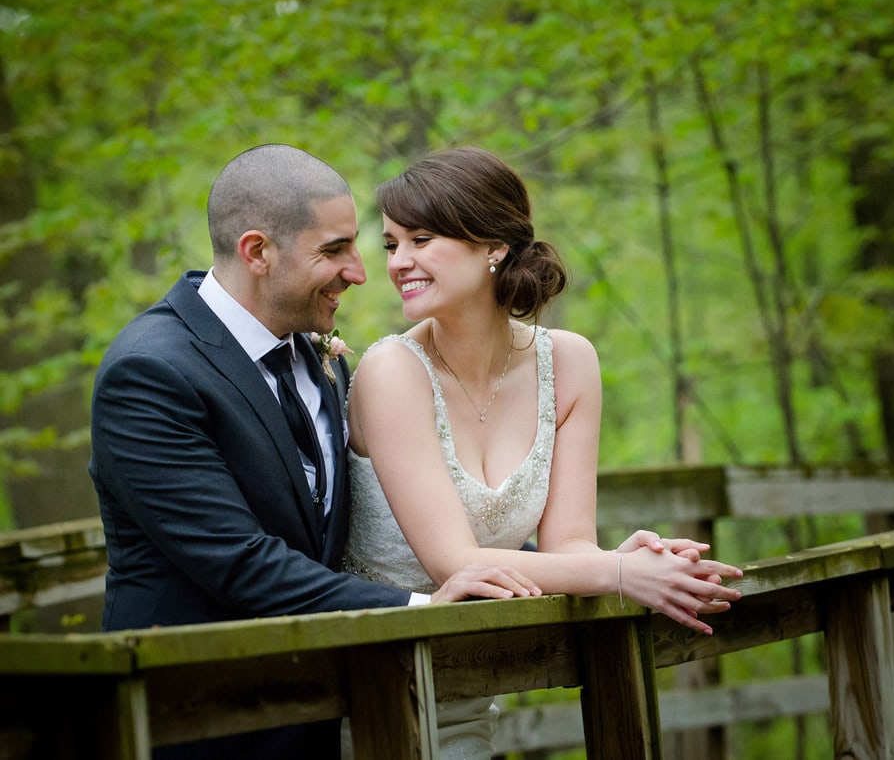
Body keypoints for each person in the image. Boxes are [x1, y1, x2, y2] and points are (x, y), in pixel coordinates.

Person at [89, 144, 536, 760]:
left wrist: (517, 560)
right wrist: (420, 607)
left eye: (358, 246)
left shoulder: (314, 352)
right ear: (257, 252)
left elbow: (374, 516)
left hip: (331, 714)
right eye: (334, 250)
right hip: (200, 721)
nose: (359, 271)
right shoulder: (151, 372)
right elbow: (238, 560)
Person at [344, 146, 744, 758]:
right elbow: (458, 564)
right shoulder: (390, 370)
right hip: (367, 688)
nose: (399, 262)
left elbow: (568, 547)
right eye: (392, 244)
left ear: (493, 248)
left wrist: (625, 557)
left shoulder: (570, 362)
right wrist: (621, 575)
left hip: (473, 685)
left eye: (421, 239)